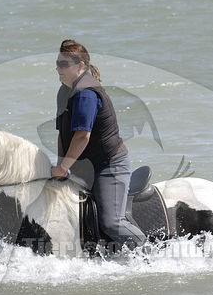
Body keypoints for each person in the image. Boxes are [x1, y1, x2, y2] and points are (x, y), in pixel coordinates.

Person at [51, 39, 146, 251]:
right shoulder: (64, 91)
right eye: (57, 63)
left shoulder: (86, 93)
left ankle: (151, 254)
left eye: (64, 64)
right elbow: (62, 136)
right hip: (82, 165)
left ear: (81, 66)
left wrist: (63, 167)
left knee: (112, 222)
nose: (58, 69)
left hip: (108, 165)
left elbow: (82, 136)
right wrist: (59, 167)